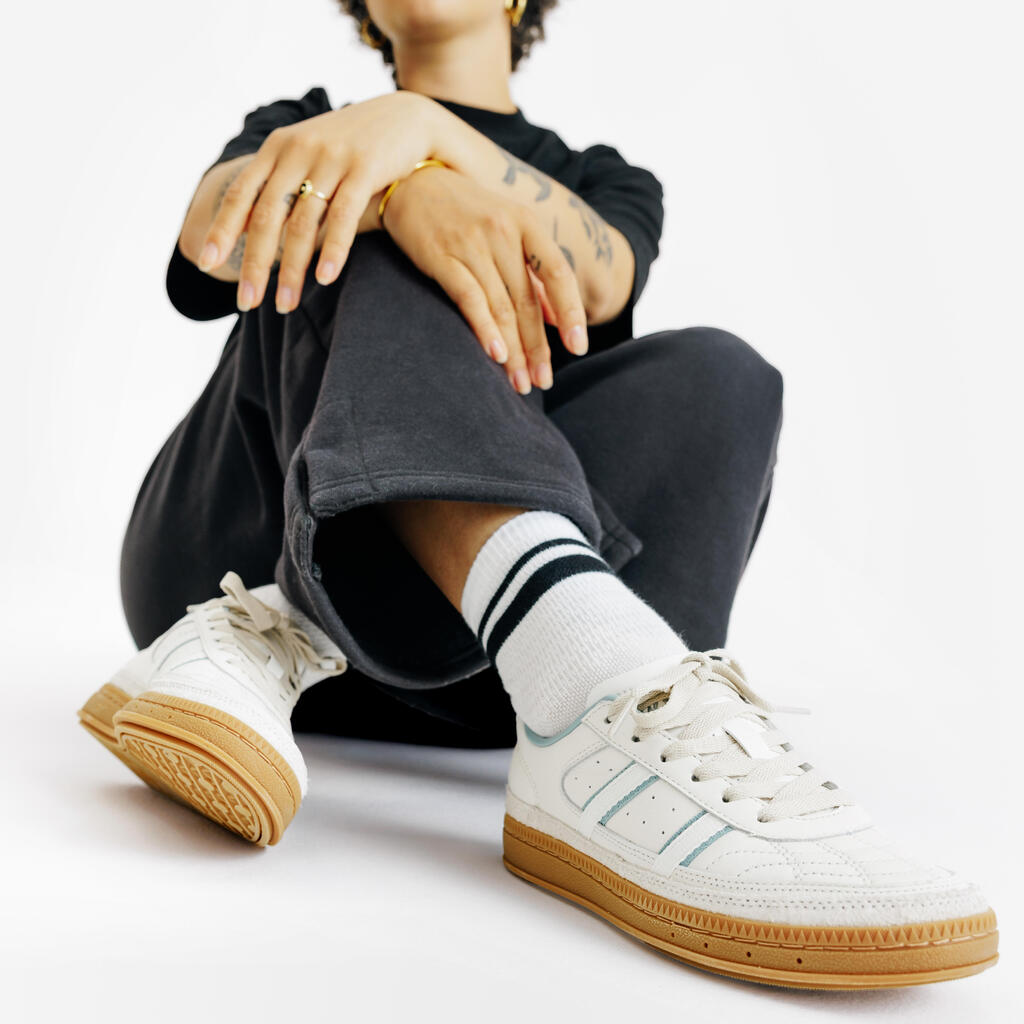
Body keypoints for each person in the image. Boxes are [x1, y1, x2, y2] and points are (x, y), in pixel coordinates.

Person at [78, 0, 997, 989]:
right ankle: (476, 648)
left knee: (723, 375)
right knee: (344, 226)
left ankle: (573, 691)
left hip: (476, 667)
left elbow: (597, 281)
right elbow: (213, 241)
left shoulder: (604, 180)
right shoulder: (306, 126)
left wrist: (421, 137)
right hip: (233, 542)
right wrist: (396, 196)